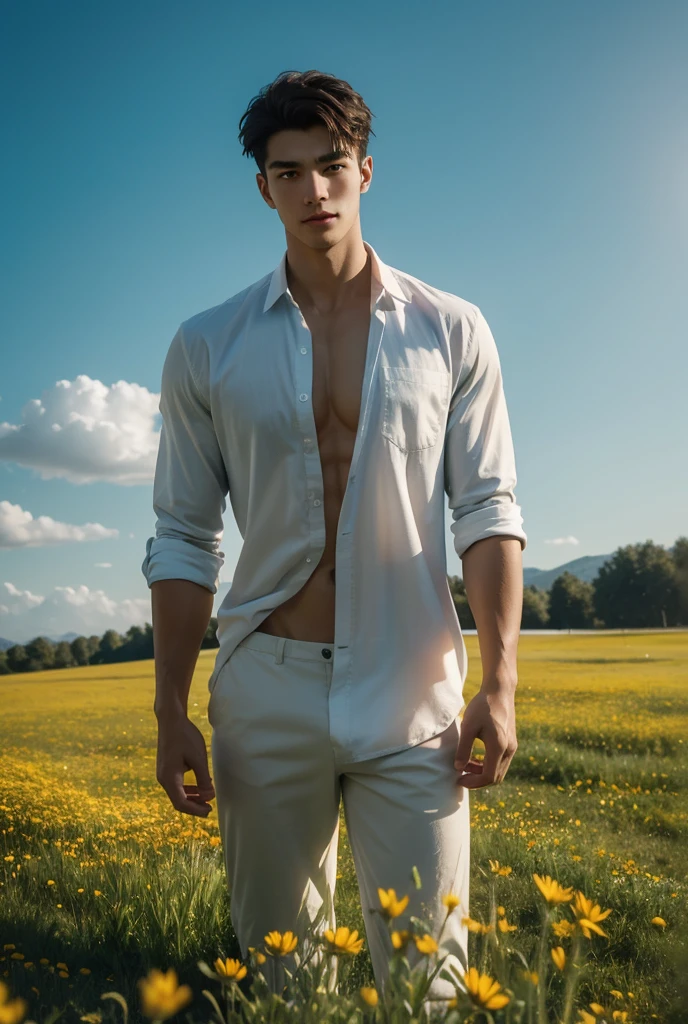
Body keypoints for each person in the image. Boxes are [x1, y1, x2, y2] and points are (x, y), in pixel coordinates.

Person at [141, 69, 527, 1007]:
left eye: (332, 167)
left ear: (365, 171)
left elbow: (487, 509)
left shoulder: (451, 329)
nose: (315, 191)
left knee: (431, 984)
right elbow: (185, 534)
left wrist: (502, 683)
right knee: (280, 982)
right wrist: (169, 709)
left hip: (414, 686)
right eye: (290, 172)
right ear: (262, 186)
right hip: (267, 686)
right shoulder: (207, 344)